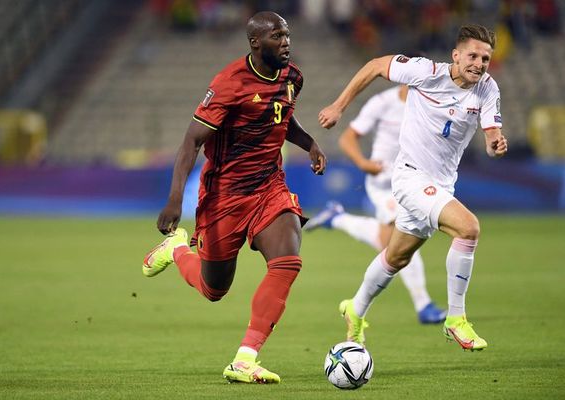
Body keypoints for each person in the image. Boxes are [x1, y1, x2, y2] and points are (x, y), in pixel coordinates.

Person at [142, 11, 326, 384]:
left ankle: (245, 358)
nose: (286, 42)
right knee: (214, 289)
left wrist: (310, 144)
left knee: (288, 261)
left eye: (287, 34)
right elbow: (192, 141)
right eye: (277, 36)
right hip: (225, 194)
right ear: (256, 43)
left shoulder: (293, 77)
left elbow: (281, 117)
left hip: (269, 186)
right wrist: (175, 199)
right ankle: (176, 250)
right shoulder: (229, 83)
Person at [319, 24, 508, 351]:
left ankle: (356, 307)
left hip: (442, 185)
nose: (479, 63)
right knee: (468, 229)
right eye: (473, 55)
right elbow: (375, 65)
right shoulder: (426, 72)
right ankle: (456, 319)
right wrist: (338, 106)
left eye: (486, 58)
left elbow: (491, 133)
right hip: (409, 177)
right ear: (456, 55)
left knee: (396, 256)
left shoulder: (487, 89)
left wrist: (495, 144)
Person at [304, 84, 447, 325]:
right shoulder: (382, 102)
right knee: (402, 237)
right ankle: (423, 305)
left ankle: (336, 217)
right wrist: (362, 163)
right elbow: (348, 137)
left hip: (414, 180)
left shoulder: (428, 104)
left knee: (390, 244)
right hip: (384, 183)